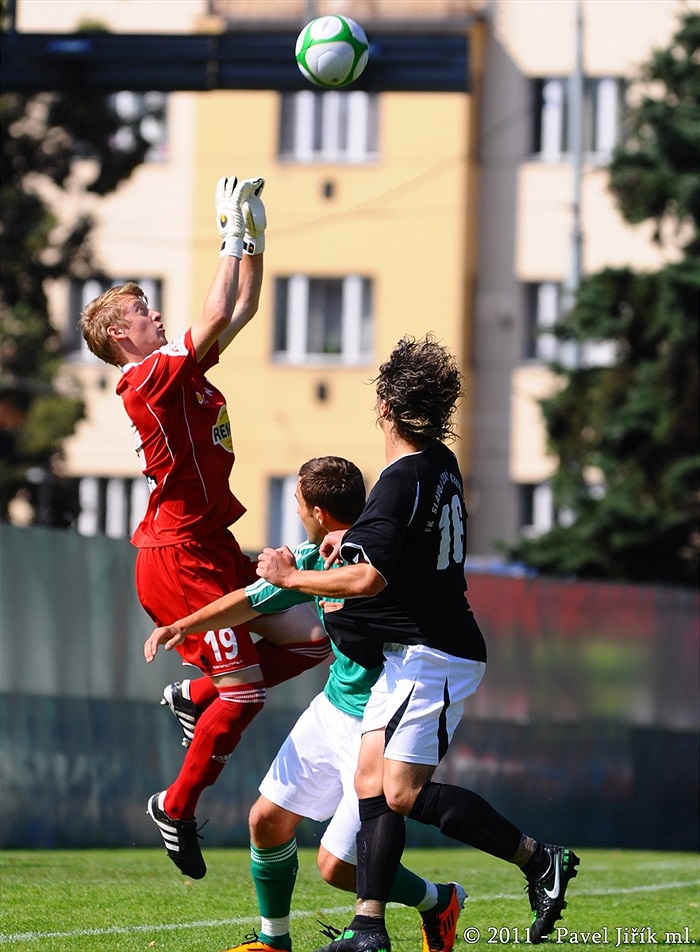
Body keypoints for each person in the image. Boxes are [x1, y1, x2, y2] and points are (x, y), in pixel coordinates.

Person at [256, 335, 581, 951]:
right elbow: (395, 554)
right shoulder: (440, 463)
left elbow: (368, 577)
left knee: (398, 791)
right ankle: (368, 928)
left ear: (384, 405)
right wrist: (348, 550)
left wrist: (290, 575)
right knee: (370, 784)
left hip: (433, 651)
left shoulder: (400, 480)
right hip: (420, 650)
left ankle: (539, 860)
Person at [78, 175, 330, 881]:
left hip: (208, 546)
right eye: (141, 311)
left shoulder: (174, 370)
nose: (154, 315)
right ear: (117, 335)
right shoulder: (146, 378)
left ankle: (195, 694)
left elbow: (240, 308)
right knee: (245, 691)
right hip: (178, 557)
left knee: (316, 639)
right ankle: (176, 806)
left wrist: (253, 237)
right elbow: (218, 308)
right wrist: (226, 235)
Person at [145, 455, 467, 952]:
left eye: (296, 500)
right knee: (265, 821)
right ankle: (274, 941)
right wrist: (184, 624)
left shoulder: (376, 557)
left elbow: (362, 585)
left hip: (381, 724)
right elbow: (251, 600)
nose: (294, 509)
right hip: (333, 708)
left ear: (315, 510)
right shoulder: (314, 555)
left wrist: (292, 578)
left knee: (338, 868)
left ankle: (438, 901)